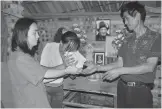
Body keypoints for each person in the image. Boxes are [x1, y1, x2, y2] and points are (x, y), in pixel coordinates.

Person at [95, 1, 161, 108]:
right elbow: (119, 63)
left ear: (137, 15)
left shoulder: (156, 37)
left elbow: (149, 66)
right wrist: (97, 68)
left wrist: (120, 71)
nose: (125, 22)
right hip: (122, 88)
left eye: (126, 18)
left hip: (140, 92)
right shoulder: (127, 40)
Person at [8, 18, 80, 108]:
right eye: (34, 33)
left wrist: (65, 65)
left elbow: (42, 71)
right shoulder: (20, 58)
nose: (38, 36)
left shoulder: (27, 56)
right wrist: (67, 71)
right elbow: (46, 74)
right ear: (23, 35)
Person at [40, 31, 86, 108]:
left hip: (58, 88)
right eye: (67, 48)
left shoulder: (74, 52)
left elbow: (72, 77)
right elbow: (43, 71)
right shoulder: (49, 47)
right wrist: (64, 66)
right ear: (61, 43)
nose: (69, 51)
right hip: (44, 87)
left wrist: (75, 70)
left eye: (72, 49)